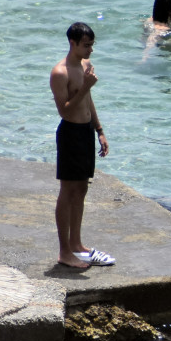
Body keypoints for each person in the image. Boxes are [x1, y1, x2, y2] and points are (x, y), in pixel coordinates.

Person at [49, 22, 113, 270]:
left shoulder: (86, 66)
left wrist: (100, 131)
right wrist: (85, 86)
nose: (90, 50)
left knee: (82, 189)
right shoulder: (60, 73)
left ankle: (76, 243)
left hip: (86, 131)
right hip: (70, 133)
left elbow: (88, 100)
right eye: (86, 45)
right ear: (72, 43)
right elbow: (64, 111)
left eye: (92, 45)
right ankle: (64, 251)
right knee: (67, 191)